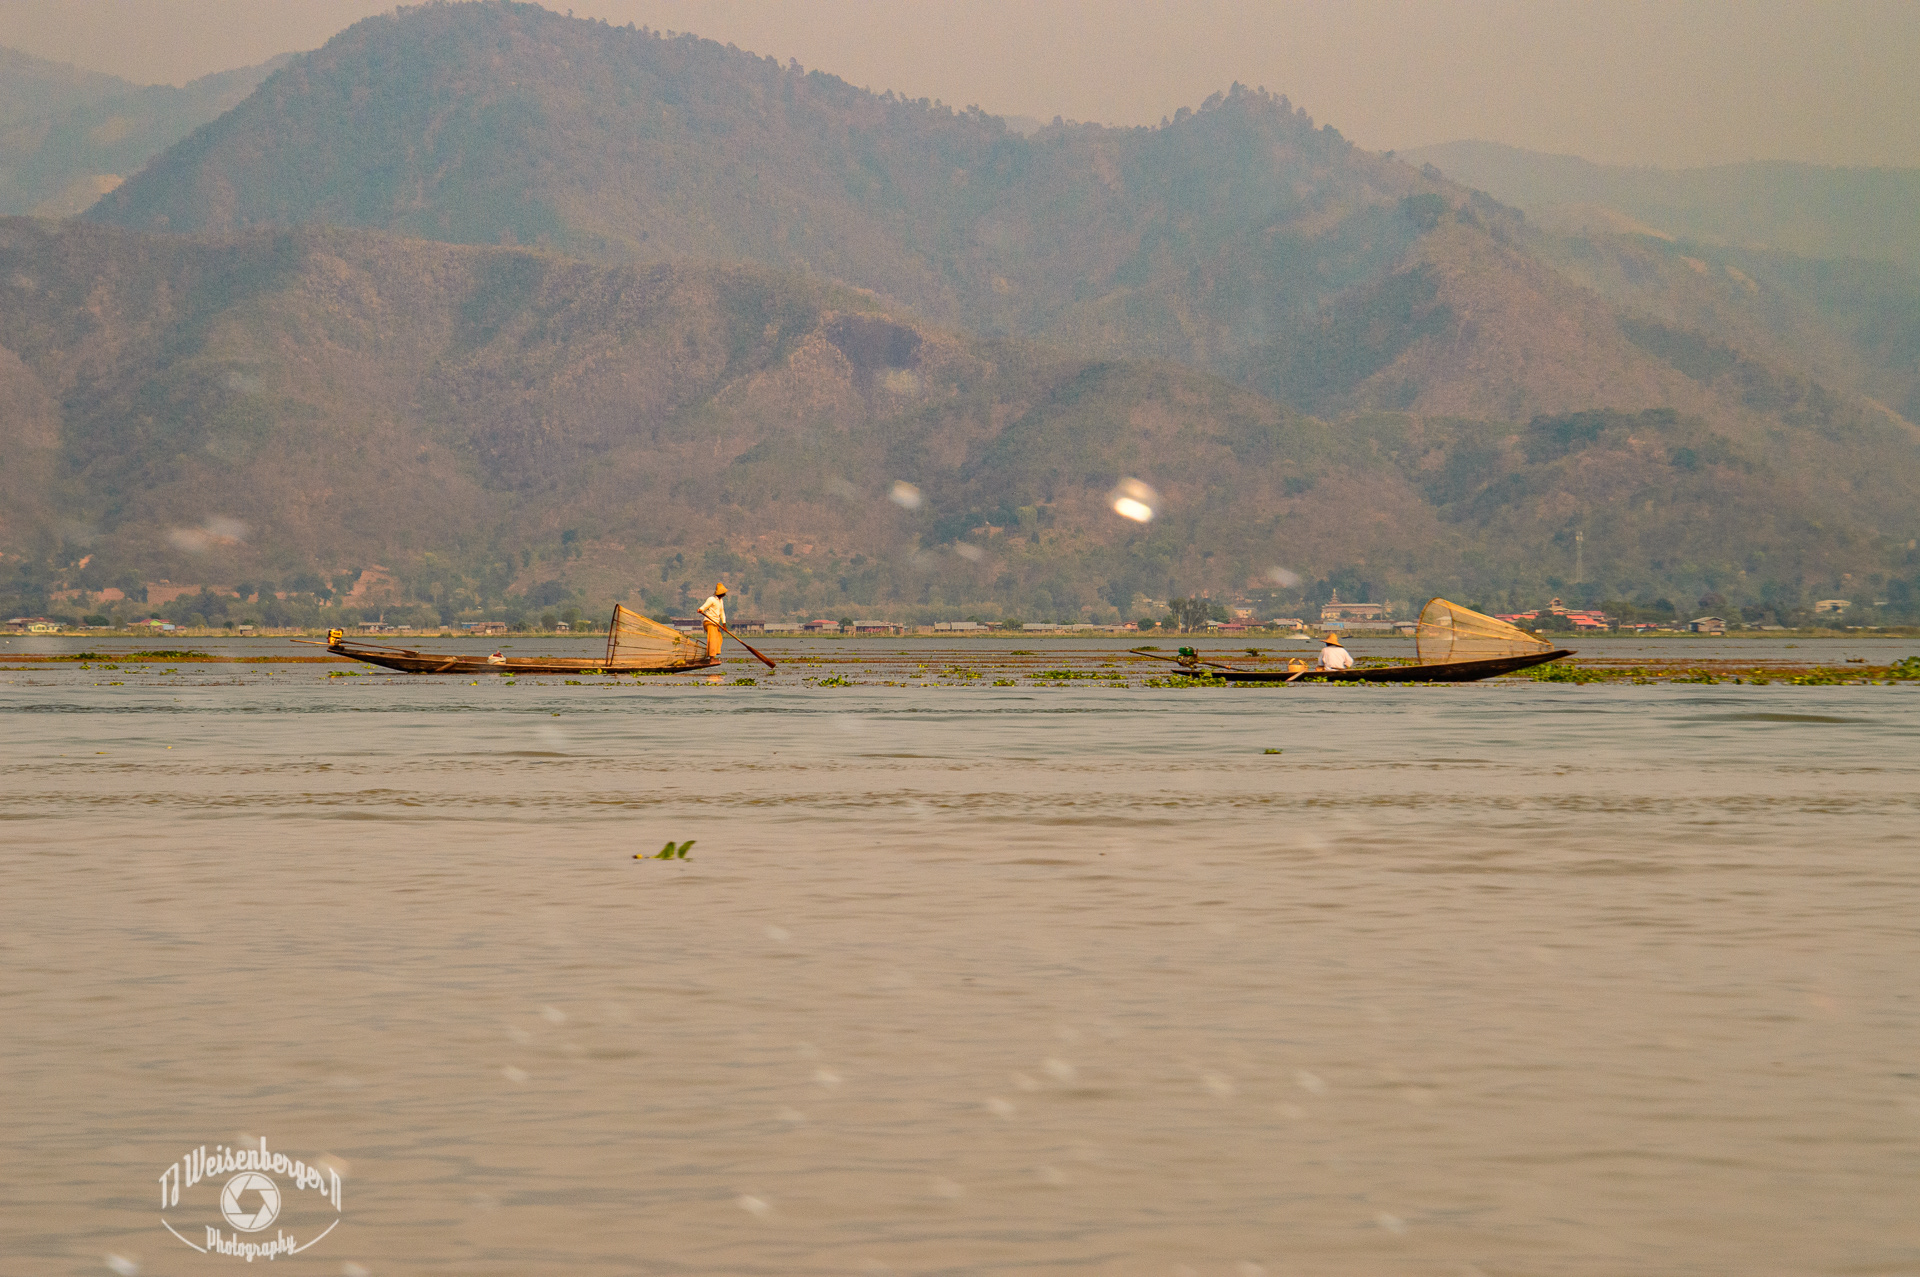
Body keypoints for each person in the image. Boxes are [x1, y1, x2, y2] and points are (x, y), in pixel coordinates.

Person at [698, 582, 728, 659]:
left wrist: (724, 624)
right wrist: (700, 609)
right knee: (713, 639)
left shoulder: (721, 601)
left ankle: (714, 653)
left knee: (719, 638)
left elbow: (722, 612)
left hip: (715, 623)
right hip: (709, 621)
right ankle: (712, 657)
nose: (724, 594)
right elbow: (704, 606)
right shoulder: (711, 599)